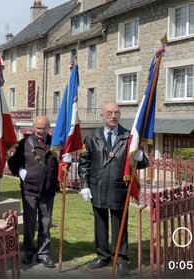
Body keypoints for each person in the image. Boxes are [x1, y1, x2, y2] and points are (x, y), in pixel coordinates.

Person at [78, 103, 148, 277]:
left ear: (120, 115)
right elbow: (84, 163)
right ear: (102, 115)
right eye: (109, 113)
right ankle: (103, 256)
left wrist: (140, 157)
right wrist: (85, 185)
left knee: (120, 225)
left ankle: (122, 258)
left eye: (116, 112)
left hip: (119, 187)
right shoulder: (93, 136)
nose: (113, 116)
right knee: (100, 224)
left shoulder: (129, 137)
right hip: (97, 186)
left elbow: (142, 163)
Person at [8, 115, 58, 268]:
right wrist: (21, 172)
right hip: (30, 190)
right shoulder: (24, 143)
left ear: (49, 128)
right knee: (29, 223)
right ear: (33, 127)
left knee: (45, 222)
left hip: (48, 191)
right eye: (38, 128)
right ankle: (28, 250)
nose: (41, 131)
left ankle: (43, 253)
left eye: (44, 128)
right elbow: (12, 162)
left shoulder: (56, 145)